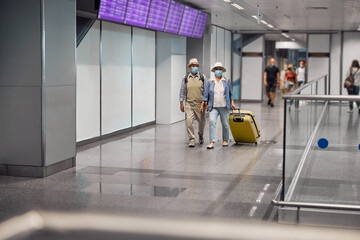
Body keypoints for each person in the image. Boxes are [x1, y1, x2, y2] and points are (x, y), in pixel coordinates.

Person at [200, 62, 236, 149]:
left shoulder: (226, 81)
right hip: (214, 106)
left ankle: (225, 140)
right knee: (212, 122)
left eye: (220, 69)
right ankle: (212, 141)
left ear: (222, 71)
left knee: (225, 124)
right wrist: (203, 105)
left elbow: (231, 94)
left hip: (224, 106)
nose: (218, 71)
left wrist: (232, 103)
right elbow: (206, 95)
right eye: (217, 69)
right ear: (214, 71)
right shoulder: (210, 81)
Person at [179, 58, 208, 147]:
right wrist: (181, 102)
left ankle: (201, 135)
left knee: (201, 122)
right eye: (193, 65)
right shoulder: (185, 78)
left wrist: (205, 103)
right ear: (190, 67)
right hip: (189, 104)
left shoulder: (203, 77)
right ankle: (191, 139)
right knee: (189, 121)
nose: (195, 67)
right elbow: (182, 90)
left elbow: (206, 91)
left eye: (196, 65)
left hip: (200, 104)